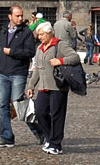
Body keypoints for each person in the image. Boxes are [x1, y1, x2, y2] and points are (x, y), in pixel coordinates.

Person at [26, 21, 80, 156]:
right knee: (40, 112)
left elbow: (75, 57)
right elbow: (38, 69)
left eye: (42, 34)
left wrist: (60, 61)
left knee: (57, 115)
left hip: (58, 86)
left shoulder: (60, 45)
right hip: (43, 87)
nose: (40, 37)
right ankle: (50, 138)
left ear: (50, 33)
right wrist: (31, 85)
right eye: (38, 35)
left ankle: (56, 144)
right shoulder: (39, 48)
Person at [0, 6, 39, 149]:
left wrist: (12, 52)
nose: (20, 18)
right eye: (17, 16)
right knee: (3, 105)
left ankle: (40, 132)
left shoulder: (26, 32)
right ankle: (7, 138)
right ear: (10, 17)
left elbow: (30, 52)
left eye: (21, 16)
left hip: (18, 73)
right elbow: (2, 49)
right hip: (4, 73)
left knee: (19, 104)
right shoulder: (4, 30)